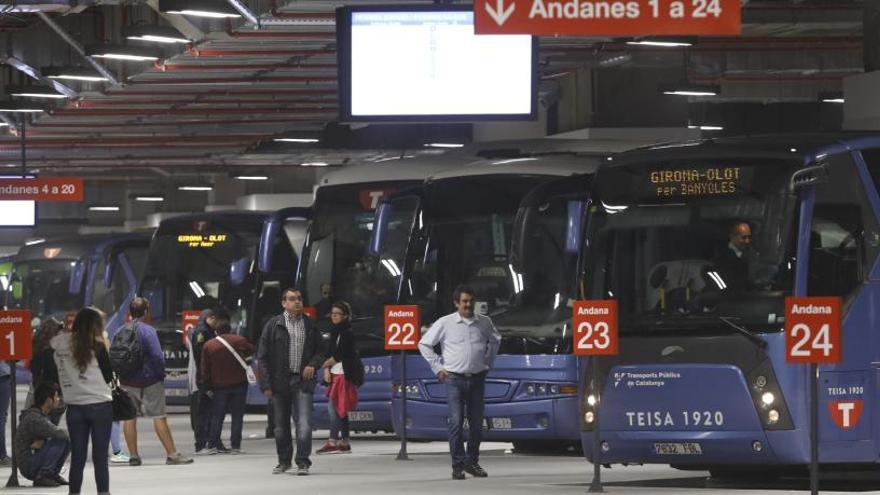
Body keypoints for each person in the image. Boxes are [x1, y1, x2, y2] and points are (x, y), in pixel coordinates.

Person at [418, 285, 501, 480]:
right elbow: (424, 343)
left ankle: (472, 462)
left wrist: (488, 362)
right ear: (456, 303)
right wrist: (437, 367)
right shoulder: (445, 323)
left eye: (471, 300)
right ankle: (457, 465)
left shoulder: (484, 322)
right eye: (464, 301)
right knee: (455, 422)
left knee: (476, 425)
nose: (468, 304)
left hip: (477, 378)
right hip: (454, 379)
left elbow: (496, 339)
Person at [258, 288, 324, 476]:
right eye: (293, 299)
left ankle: (303, 462)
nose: (297, 302)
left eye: (300, 299)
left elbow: (321, 351)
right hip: (279, 383)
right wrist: (266, 384)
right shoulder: (273, 325)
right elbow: (262, 357)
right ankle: (284, 461)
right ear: (284, 303)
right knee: (280, 426)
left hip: (302, 381)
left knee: (304, 423)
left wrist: (313, 364)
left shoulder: (310, 325)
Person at [119, 297, 193, 466]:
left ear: (130, 312)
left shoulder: (121, 330)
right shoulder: (148, 331)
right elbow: (158, 356)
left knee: (129, 418)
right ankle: (172, 454)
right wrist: (160, 375)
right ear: (146, 312)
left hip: (127, 381)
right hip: (149, 380)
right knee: (159, 416)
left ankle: (134, 456)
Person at [51, 306, 114, 495]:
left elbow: (56, 371)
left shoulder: (60, 346)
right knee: (100, 457)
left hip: (75, 407)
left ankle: (74, 493)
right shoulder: (98, 346)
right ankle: (103, 493)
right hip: (100, 405)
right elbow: (109, 376)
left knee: (77, 457)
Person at [201, 319, 254, 454]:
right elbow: (251, 351)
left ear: (216, 331)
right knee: (237, 416)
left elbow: (205, 369)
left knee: (217, 416)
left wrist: (206, 386)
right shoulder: (239, 340)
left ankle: (212, 445)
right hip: (239, 384)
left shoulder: (209, 345)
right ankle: (235, 446)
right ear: (230, 329)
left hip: (219, 386)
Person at [316, 301, 361, 455]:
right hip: (336, 373)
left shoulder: (347, 333)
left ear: (345, 316)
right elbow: (330, 353)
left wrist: (323, 365)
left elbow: (339, 354)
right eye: (332, 314)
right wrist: (327, 369)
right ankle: (345, 442)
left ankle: (332, 441)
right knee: (340, 409)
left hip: (343, 375)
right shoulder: (334, 332)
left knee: (334, 408)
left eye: (337, 314)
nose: (334, 316)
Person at [15, 382, 70, 487]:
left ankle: (52, 474)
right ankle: (42, 476)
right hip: (29, 465)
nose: (58, 399)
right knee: (62, 439)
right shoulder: (35, 418)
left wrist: (43, 441)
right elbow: (59, 433)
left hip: (33, 458)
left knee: (64, 439)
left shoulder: (40, 414)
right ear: (49, 400)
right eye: (56, 396)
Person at [188, 308, 226, 454]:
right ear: (210, 318)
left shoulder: (208, 331)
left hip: (208, 376)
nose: (217, 323)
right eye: (215, 320)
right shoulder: (202, 333)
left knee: (210, 411)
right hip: (204, 377)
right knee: (203, 412)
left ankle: (213, 442)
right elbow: (201, 355)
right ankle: (201, 444)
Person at [27, 318, 64, 424]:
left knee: (40, 424)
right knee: (50, 425)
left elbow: (33, 369)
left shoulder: (36, 347)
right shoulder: (51, 351)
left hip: (38, 390)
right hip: (52, 392)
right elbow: (55, 372)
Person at [712, 221, 753, 292]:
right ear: (732, 237)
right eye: (743, 237)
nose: (747, 241)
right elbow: (724, 287)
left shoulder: (751, 255)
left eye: (749, 237)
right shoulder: (722, 259)